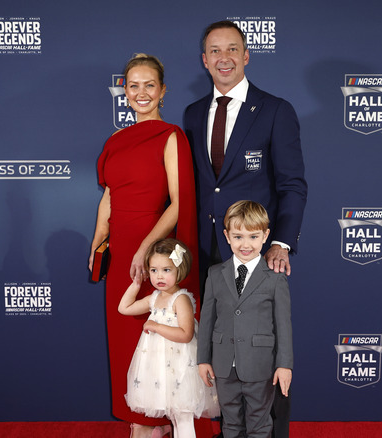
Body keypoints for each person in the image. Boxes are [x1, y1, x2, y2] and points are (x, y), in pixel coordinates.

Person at [184, 21, 306, 437]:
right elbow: (200, 186)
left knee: (266, 348)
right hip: (209, 253)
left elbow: (292, 185)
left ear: (247, 55)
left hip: (258, 251)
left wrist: (282, 244)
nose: (224, 58)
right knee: (224, 348)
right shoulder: (194, 113)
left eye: (232, 49)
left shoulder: (275, 110)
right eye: (215, 50)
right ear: (204, 60)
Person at [90, 53, 200, 438]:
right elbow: (108, 197)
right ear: (124, 91)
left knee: (156, 334)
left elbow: (179, 203)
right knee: (125, 334)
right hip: (120, 250)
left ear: (162, 91)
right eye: (133, 85)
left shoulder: (170, 136)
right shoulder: (115, 140)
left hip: (156, 253)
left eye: (149, 85)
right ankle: (138, 417)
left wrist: (145, 249)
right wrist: (98, 242)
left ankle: (157, 424)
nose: (141, 93)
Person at [197, 200, 293, 438]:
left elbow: (283, 326)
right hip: (223, 366)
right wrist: (203, 359)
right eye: (238, 236)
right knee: (230, 424)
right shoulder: (215, 274)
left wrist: (284, 365)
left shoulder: (274, 278)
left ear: (265, 236)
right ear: (227, 236)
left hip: (260, 366)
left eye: (253, 236)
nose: (245, 244)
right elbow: (207, 319)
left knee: (259, 424)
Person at [119, 239, 221, 438]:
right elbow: (124, 308)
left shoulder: (181, 299)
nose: (159, 276)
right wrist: (137, 283)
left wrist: (157, 326)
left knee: (183, 417)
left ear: (179, 270)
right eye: (154, 270)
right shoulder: (154, 298)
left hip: (181, 367)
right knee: (174, 417)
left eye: (166, 270)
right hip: (161, 369)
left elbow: (186, 334)